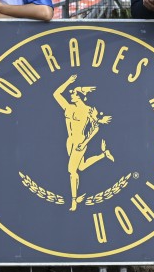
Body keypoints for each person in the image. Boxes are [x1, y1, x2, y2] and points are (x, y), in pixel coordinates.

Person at [52, 74, 114, 212]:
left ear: (80, 96)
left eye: (74, 93)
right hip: (69, 141)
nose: (71, 95)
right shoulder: (68, 107)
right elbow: (56, 94)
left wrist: (85, 142)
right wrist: (68, 81)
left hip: (80, 142)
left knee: (72, 171)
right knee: (81, 166)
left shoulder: (88, 110)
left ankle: (74, 201)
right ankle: (104, 154)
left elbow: (96, 128)